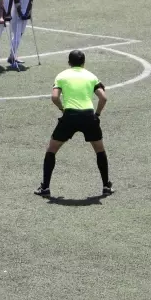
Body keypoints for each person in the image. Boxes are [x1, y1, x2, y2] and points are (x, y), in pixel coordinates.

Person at [34, 49, 112, 197]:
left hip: (69, 116)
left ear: (69, 62)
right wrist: (97, 115)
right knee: (99, 150)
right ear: (84, 63)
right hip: (88, 116)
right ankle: (106, 186)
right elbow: (103, 98)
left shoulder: (61, 76)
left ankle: (45, 188)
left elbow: (55, 97)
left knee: (52, 150)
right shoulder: (91, 76)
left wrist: (62, 109)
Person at [5, 0, 34, 71]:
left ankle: (12, 56)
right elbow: (16, 0)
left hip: (25, 13)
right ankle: (12, 58)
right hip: (17, 14)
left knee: (20, 35)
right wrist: (20, 13)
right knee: (16, 36)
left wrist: (29, 11)